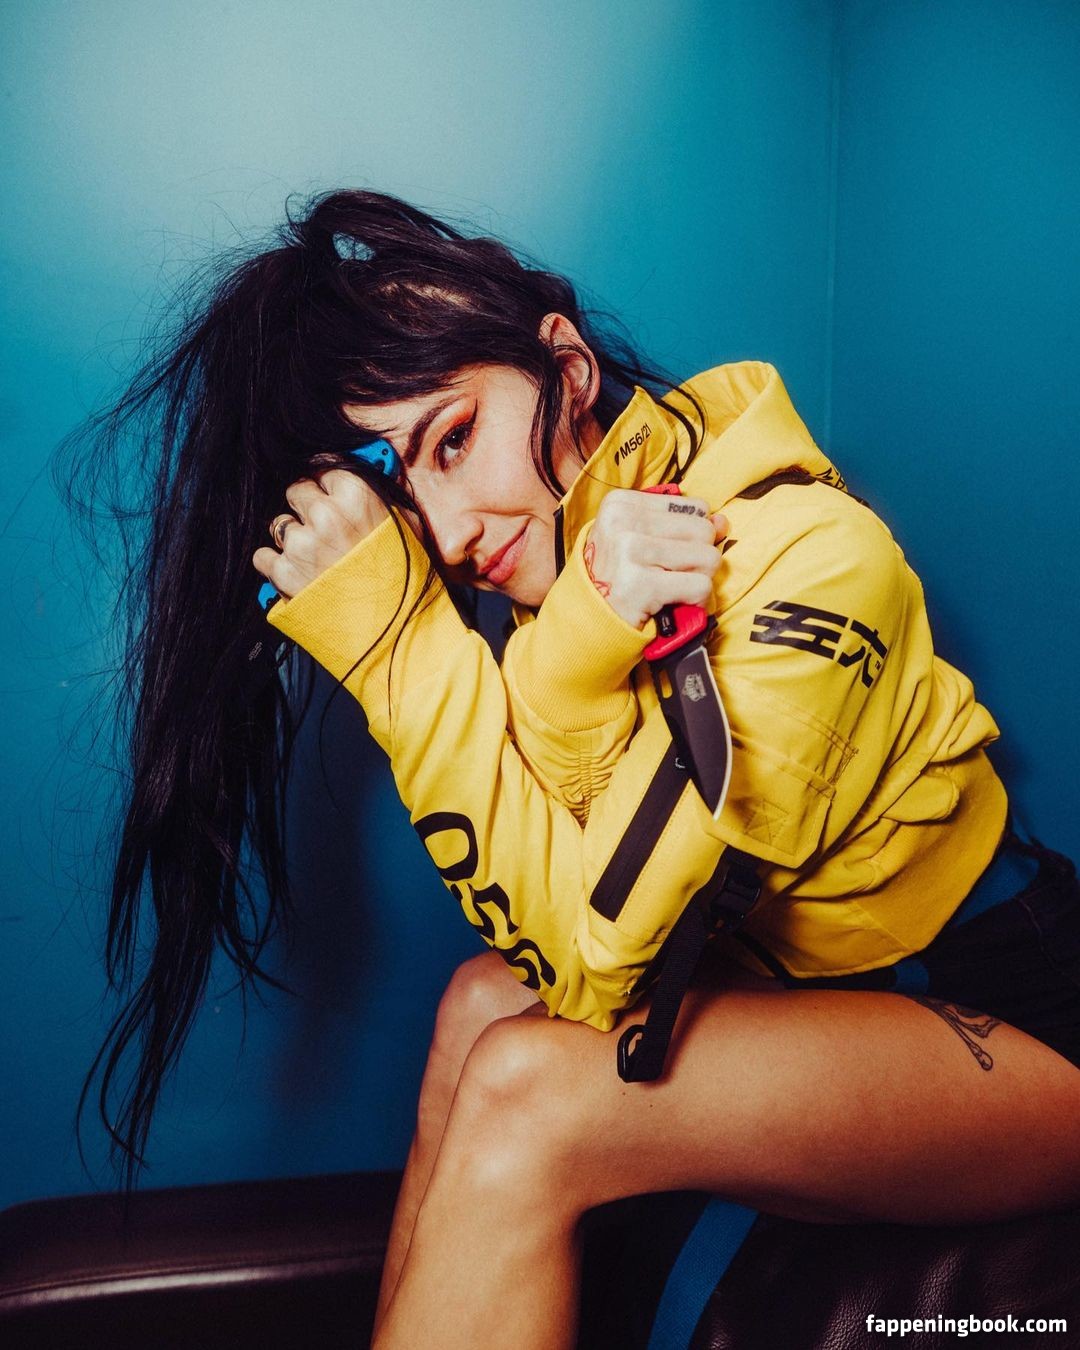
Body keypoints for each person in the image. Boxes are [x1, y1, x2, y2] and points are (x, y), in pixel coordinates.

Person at [68, 190, 1080, 1349]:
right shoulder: (575, 585)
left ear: (567, 366)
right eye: (406, 496)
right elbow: (553, 878)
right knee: (478, 1006)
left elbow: (597, 964)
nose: (451, 535)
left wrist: (401, 659)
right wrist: (569, 651)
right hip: (823, 998)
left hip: (1019, 1031)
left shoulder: (810, 565)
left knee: (530, 1090)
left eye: (456, 438)